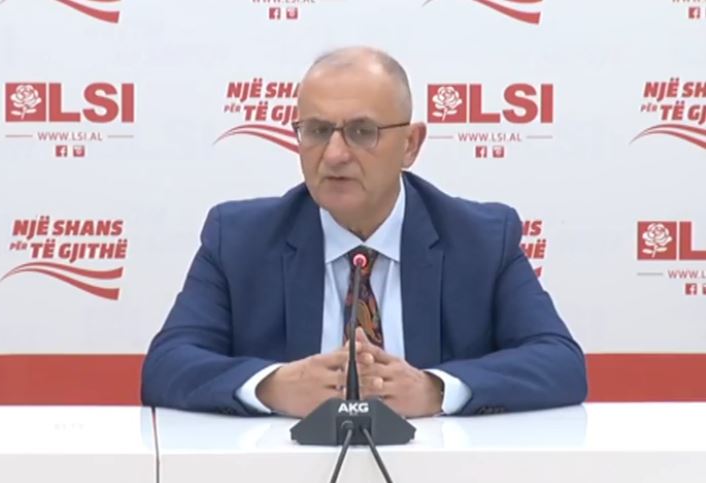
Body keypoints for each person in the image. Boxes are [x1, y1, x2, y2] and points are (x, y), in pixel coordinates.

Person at [141, 47, 587, 418]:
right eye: (317, 131)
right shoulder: (239, 239)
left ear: (410, 144)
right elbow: (166, 366)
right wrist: (272, 386)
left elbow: (559, 363)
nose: (334, 154)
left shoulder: (481, 240)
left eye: (361, 132)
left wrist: (435, 390)